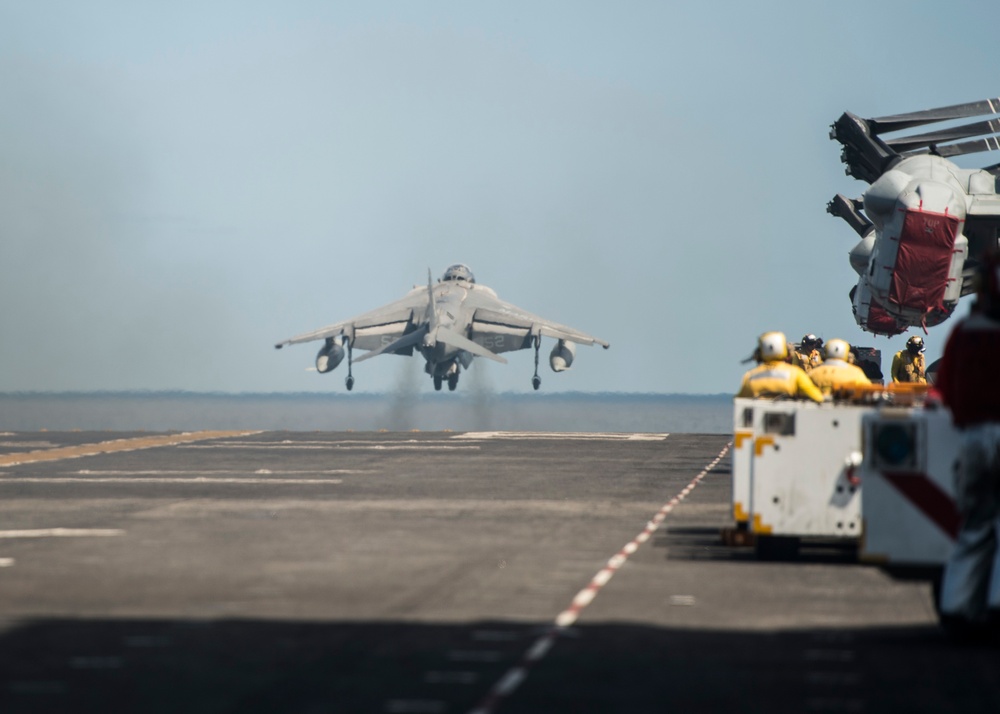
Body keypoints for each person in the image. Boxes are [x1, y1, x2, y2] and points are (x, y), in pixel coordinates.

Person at [935, 253, 1000, 634]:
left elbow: (943, 389)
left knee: (973, 525)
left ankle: (957, 606)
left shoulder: (967, 332)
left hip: (974, 436)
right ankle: (994, 606)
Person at [737, 331, 824, 403]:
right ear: (785, 352)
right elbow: (818, 398)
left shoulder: (750, 377)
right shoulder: (796, 374)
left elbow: (739, 401)